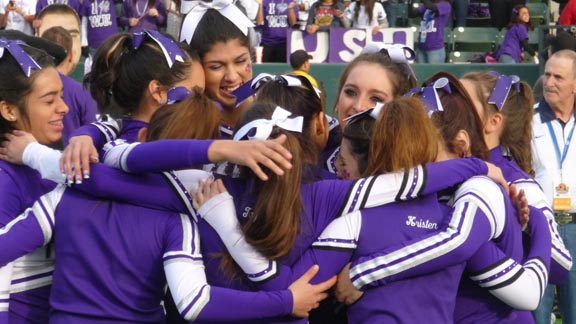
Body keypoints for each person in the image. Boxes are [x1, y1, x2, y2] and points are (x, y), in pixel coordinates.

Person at [0, 89, 335, 323]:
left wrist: (35, 153)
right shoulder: (180, 220)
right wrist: (285, 301)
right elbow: (194, 303)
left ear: (145, 136)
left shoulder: (68, 193)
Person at [460, 70, 572, 287]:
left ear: (492, 122)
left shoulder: (517, 183)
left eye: (462, 103)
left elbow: (560, 265)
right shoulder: (445, 164)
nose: (449, 107)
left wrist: (525, 223)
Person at [0, 38, 68, 323]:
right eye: (50, 100)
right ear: (9, 111)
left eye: (61, 96)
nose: (63, 107)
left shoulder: (48, 160)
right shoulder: (5, 178)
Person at [531, 49, 576, 324]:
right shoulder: (526, 119)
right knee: (537, 311)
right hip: (540, 227)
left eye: (558, 77)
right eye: (547, 74)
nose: (549, 82)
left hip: (575, 227)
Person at [40, 25, 98, 146]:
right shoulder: (84, 92)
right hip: (73, 160)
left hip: (33, 159)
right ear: (71, 55)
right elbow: (93, 136)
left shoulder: (27, 88)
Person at [36, 4, 83, 76]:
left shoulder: (93, 84)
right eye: (52, 34)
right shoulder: (21, 85)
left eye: (72, 35)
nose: (63, 45)